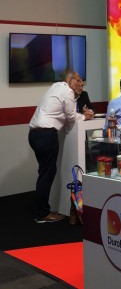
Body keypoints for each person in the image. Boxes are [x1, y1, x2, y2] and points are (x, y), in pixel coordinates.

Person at [28, 70, 94, 223]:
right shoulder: (67, 92)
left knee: (44, 172)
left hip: (34, 135)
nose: (81, 84)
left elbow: (62, 112)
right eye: (78, 80)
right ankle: (42, 213)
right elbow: (71, 116)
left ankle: (41, 209)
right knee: (47, 173)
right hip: (46, 135)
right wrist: (85, 116)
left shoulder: (55, 87)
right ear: (70, 80)